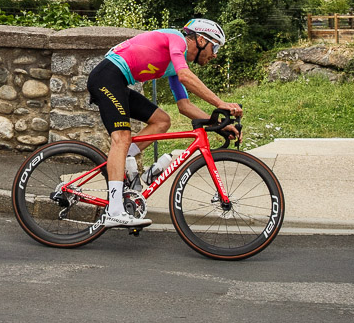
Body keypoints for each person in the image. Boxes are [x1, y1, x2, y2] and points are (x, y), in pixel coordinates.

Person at [87, 18, 242, 229]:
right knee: (121, 137)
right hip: (107, 77)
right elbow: (186, 76)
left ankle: (127, 161)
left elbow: (184, 106)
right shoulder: (176, 39)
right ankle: (114, 211)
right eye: (214, 46)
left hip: (118, 82)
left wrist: (219, 124)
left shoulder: (174, 64)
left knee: (162, 120)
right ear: (200, 39)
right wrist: (221, 104)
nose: (215, 54)